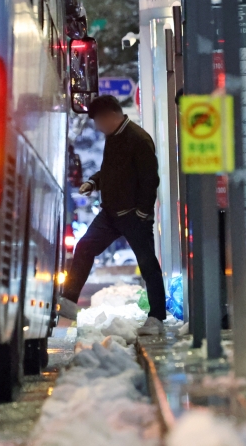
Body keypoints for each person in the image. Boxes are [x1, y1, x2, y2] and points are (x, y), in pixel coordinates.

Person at [58, 95, 167, 334]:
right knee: (84, 247)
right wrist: (93, 182)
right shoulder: (113, 137)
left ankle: (157, 318)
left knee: (147, 263)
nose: (97, 127)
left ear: (109, 116)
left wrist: (141, 213)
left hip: (132, 215)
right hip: (110, 214)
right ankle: (67, 305)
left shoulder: (139, 139)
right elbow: (109, 171)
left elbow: (150, 180)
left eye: (98, 121)